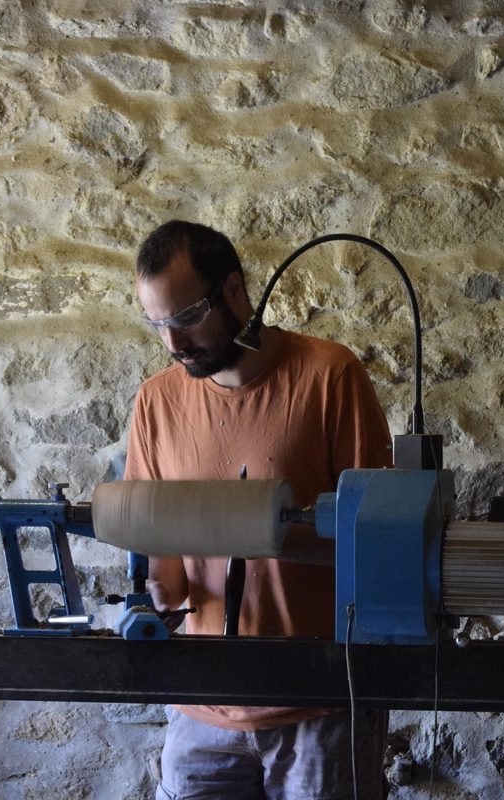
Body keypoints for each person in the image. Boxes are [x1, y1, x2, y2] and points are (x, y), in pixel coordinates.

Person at [124, 220, 393, 800]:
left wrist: (261, 530)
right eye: (157, 324)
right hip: (200, 709)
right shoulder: (157, 402)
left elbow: (380, 544)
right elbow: (159, 564)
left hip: (320, 703)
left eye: (186, 317)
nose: (173, 343)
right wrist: (153, 599)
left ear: (234, 291)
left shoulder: (330, 377)